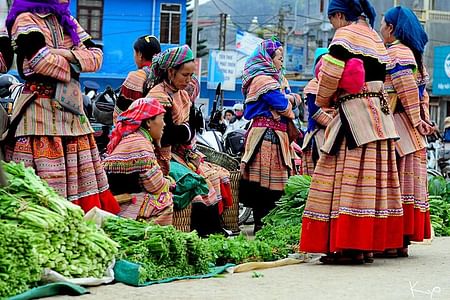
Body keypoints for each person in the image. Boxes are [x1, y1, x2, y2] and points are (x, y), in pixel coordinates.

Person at [299, 0, 404, 264]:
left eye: (332, 19)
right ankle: (367, 247)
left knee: (345, 178)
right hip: (379, 117)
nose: (332, 25)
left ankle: (349, 247)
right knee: (372, 182)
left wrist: (324, 99)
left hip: (354, 116)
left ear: (338, 15)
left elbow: (331, 74)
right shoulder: (375, 38)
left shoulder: (344, 36)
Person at [4, 0, 120, 214]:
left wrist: (64, 54)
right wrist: (76, 61)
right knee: (42, 194)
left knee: (85, 188)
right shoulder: (25, 19)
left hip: (73, 114)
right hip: (39, 115)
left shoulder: (67, 20)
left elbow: (97, 57)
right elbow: (40, 61)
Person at [147, 45, 232, 236]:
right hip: (160, 156)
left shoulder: (182, 95)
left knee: (211, 178)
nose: (188, 80)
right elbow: (165, 135)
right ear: (171, 71)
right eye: (185, 75)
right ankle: (206, 234)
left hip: (180, 153)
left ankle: (212, 233)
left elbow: (186, 130)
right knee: (197, 183)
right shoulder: (158, 95)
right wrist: (186, 131)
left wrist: (185, 132)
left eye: (191, 75)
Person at [380, 6, 434, 257]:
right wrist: (422, 120)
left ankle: (392, 242)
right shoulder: (414, 55)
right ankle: (400, 242)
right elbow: (422, 95)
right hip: (412, 132)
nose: (379, 29)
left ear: (391, 28)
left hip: (398, 126)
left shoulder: (397, 54)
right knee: (406, 187)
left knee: (395, 186)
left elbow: (407, 93)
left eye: (382, 24)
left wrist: (416, 120)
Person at [239, 39, 299, 234]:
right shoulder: (262, 80)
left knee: (275, 184)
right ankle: (261, 224)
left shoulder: (277, 79)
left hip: (277, 136)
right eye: (280, 58)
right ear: (268, 59)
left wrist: (288, 100)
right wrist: (290, 101)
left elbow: (287, 102)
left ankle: (268, 224)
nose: (282, 63)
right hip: (266, 137)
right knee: (264, 184)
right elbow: (283, 106)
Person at [103, 98, 174, 225]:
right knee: (165, 200)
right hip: (124, 201)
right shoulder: (140, 143)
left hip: (121, 195)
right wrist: (169, 182)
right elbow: (155, 186)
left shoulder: (134, 138)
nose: (164, 124)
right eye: (162, 118)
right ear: (148, 122)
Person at [113, 35, 161, 123]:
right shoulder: (165, 74)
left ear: (140, 55)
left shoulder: (136, 77)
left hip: (140, 132)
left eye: (134, 53)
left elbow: (121, 112)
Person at [301, 48, 334, 176]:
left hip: (331, 133)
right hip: (317, 133)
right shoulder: (313, 86)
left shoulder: (333, 86)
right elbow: (315, 112)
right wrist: (335, 124)